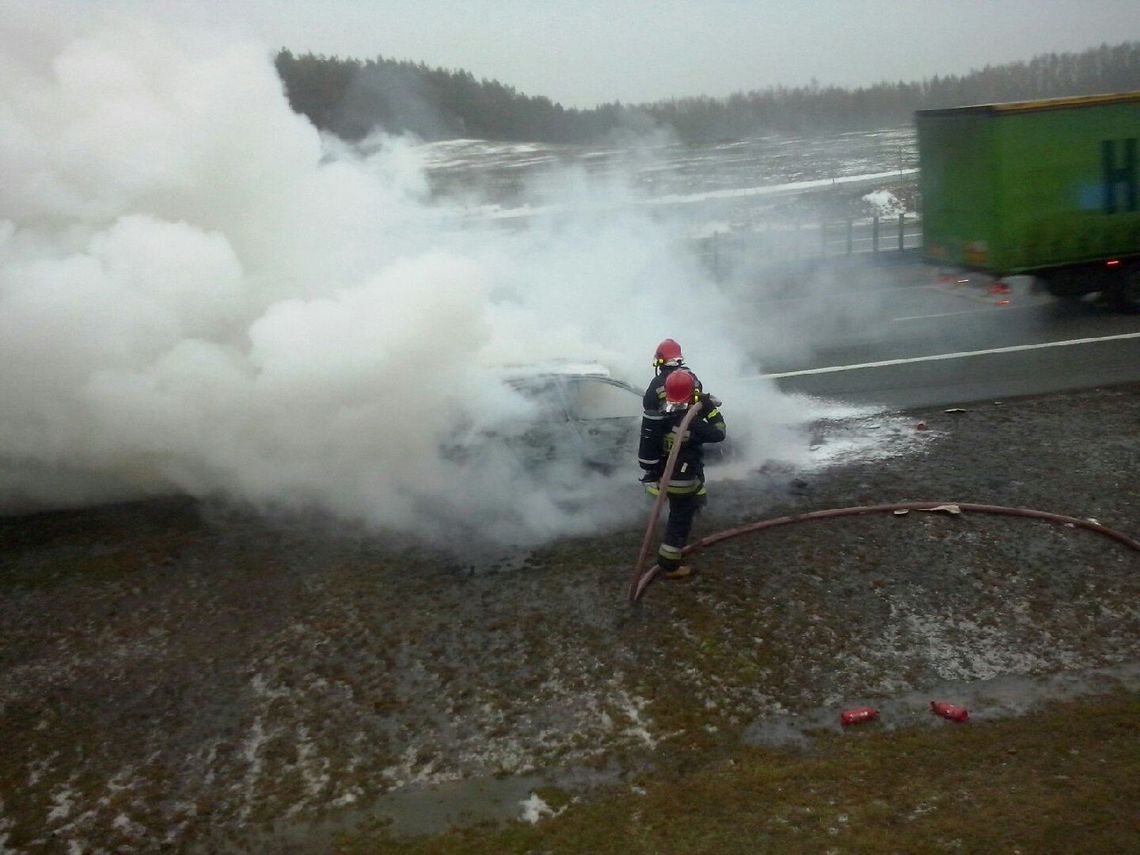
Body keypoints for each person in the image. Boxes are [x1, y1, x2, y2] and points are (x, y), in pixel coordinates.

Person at [645, 367, 727, 580]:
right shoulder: (692, 422)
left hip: (664, 476)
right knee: (679, 521)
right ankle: (669, 564)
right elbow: (719, 433)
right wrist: (710, 409)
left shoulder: (661, 416)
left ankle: (696, 507)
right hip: (682, 482)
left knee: (688, 503)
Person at [638, 338, 704, 482]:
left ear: (660, 361)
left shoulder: (658, 382)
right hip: (692, 434)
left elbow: (649, 406)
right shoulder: (693, 379)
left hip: (667, 436)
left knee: (664, 473)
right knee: (692, 471)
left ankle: (659, 494)